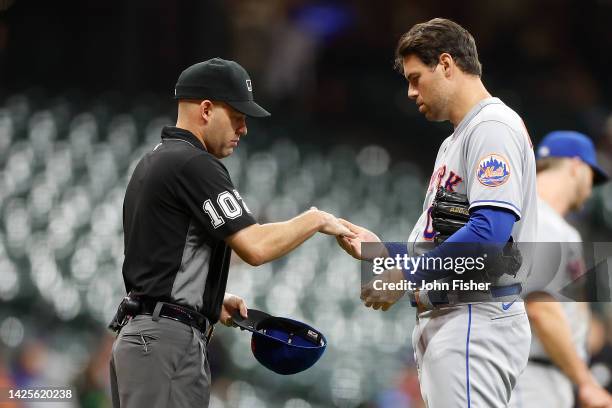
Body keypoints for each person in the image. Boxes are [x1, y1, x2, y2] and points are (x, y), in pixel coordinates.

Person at [109, 58, 353, 408]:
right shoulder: (195, 163)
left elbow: (160, 260)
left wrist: (205, 299)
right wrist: (314, 220)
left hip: (145, 338)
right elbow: (255, 247)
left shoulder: (155, 160)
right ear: (206, 109)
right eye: (237, 116)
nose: (244, 128)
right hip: (165, 344)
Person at [337, 18, 536, 406]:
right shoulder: (457, 139)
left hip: (473, 318)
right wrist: (383, 254)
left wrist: (403, 275)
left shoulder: (491, 126)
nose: (411, 92)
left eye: (416, 78)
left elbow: (490, 233)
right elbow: (446, 237)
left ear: (446, 64)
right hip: (456, 318)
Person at [509, 131, 612, 408]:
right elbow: (540, 307)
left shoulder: (537, 217)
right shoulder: (542, 219)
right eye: (592, 176)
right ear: (576, 167)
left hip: (546, 375)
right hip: (531, 375)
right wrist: (586, 382)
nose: (591, 188)